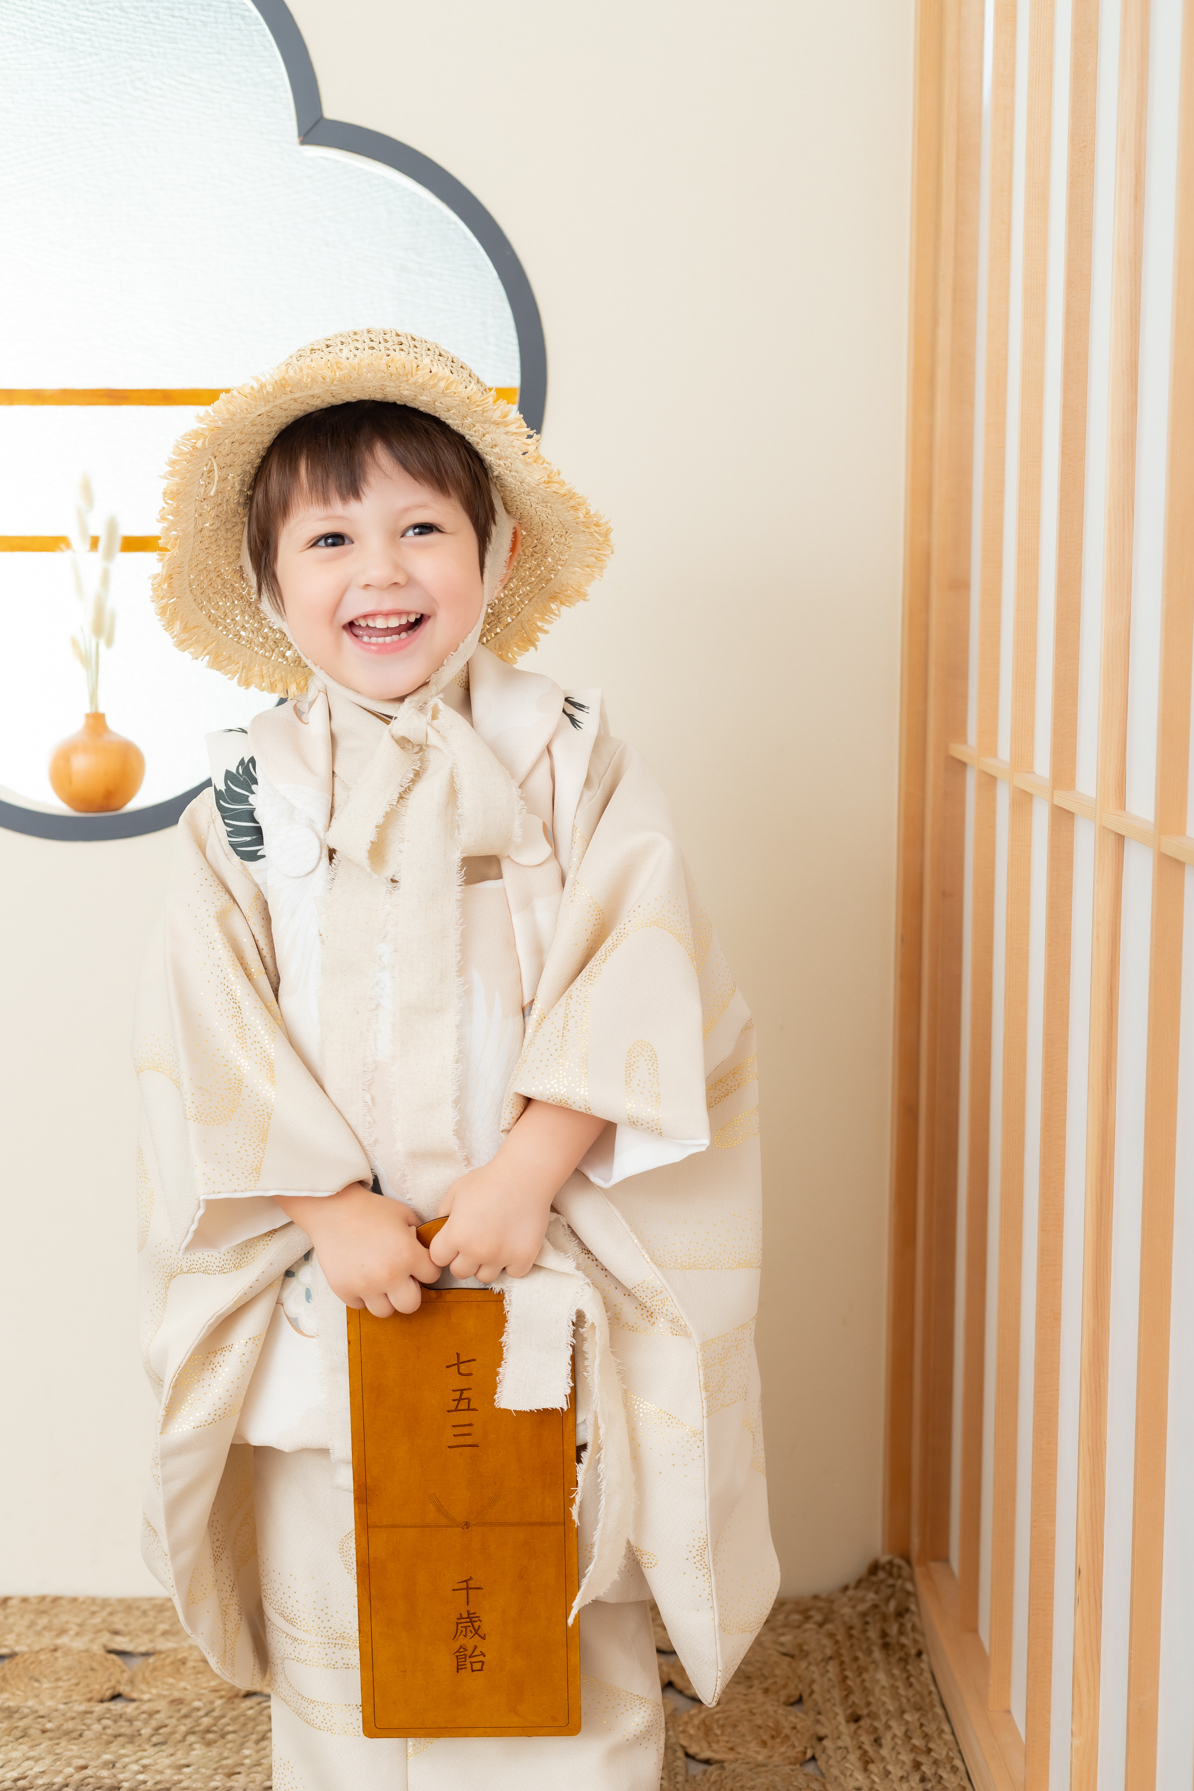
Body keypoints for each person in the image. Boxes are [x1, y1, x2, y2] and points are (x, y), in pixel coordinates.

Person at [136, 329, 778, 1789]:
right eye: (330, 538)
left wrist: (530, 1171)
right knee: (342, 1563)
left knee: (557, 1561)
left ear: (494, 554)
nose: (382, 571)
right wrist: (324, 1208)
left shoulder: (571, 757)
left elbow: (641, 960)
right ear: (270, 583)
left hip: (541, 1246)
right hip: (332, 1272)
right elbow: (208, 1022)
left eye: (422, 527)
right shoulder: (244, 799)